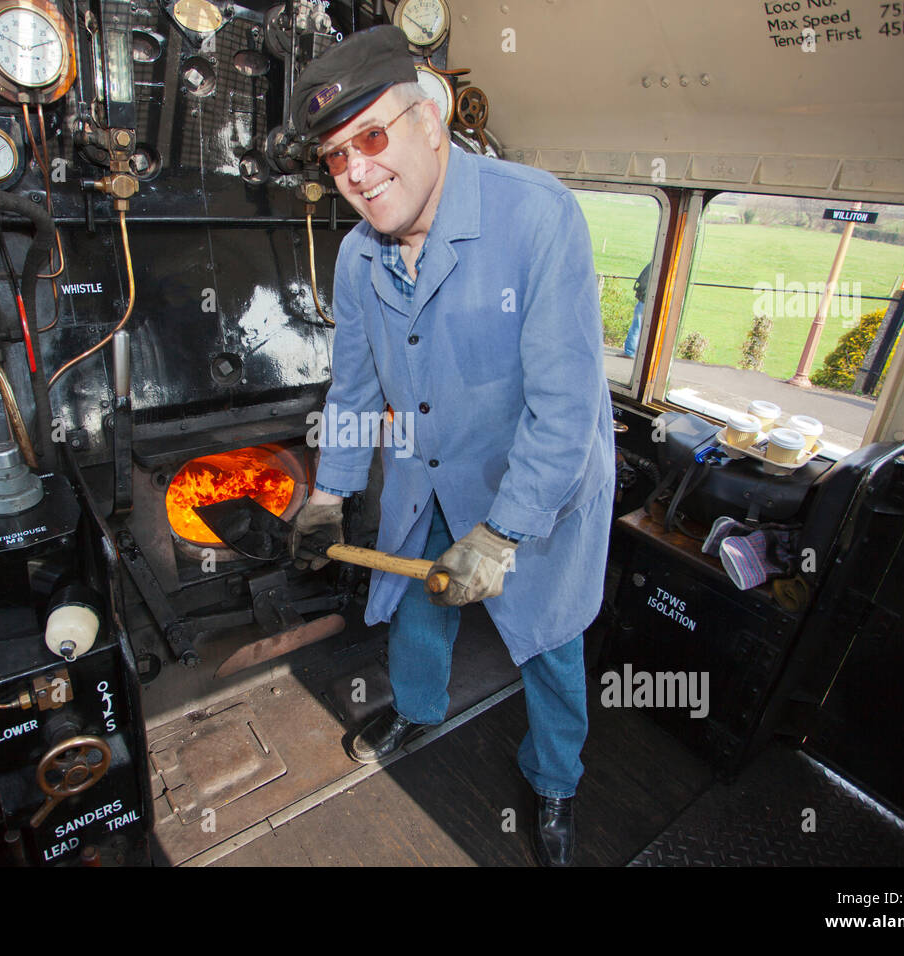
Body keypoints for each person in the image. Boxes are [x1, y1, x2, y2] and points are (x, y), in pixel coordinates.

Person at [287, 26, 615, 867]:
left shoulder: (537, 215)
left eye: (372, 137)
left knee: (550, 639)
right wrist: (327, 494)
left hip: (537, 480)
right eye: (335, 156)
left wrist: (502, 535)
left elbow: (565, 406)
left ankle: (553, 778)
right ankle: (419, 709)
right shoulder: (359, 259)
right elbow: (355, 391)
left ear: (431, 119)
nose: (356, 171)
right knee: (420, 605)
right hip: (429, 473)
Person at [623, 261, 652, 357]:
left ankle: (630, 351)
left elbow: (642, 282)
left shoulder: (652, 265)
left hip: (644, 300)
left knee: (636, 326)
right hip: (653, 301)